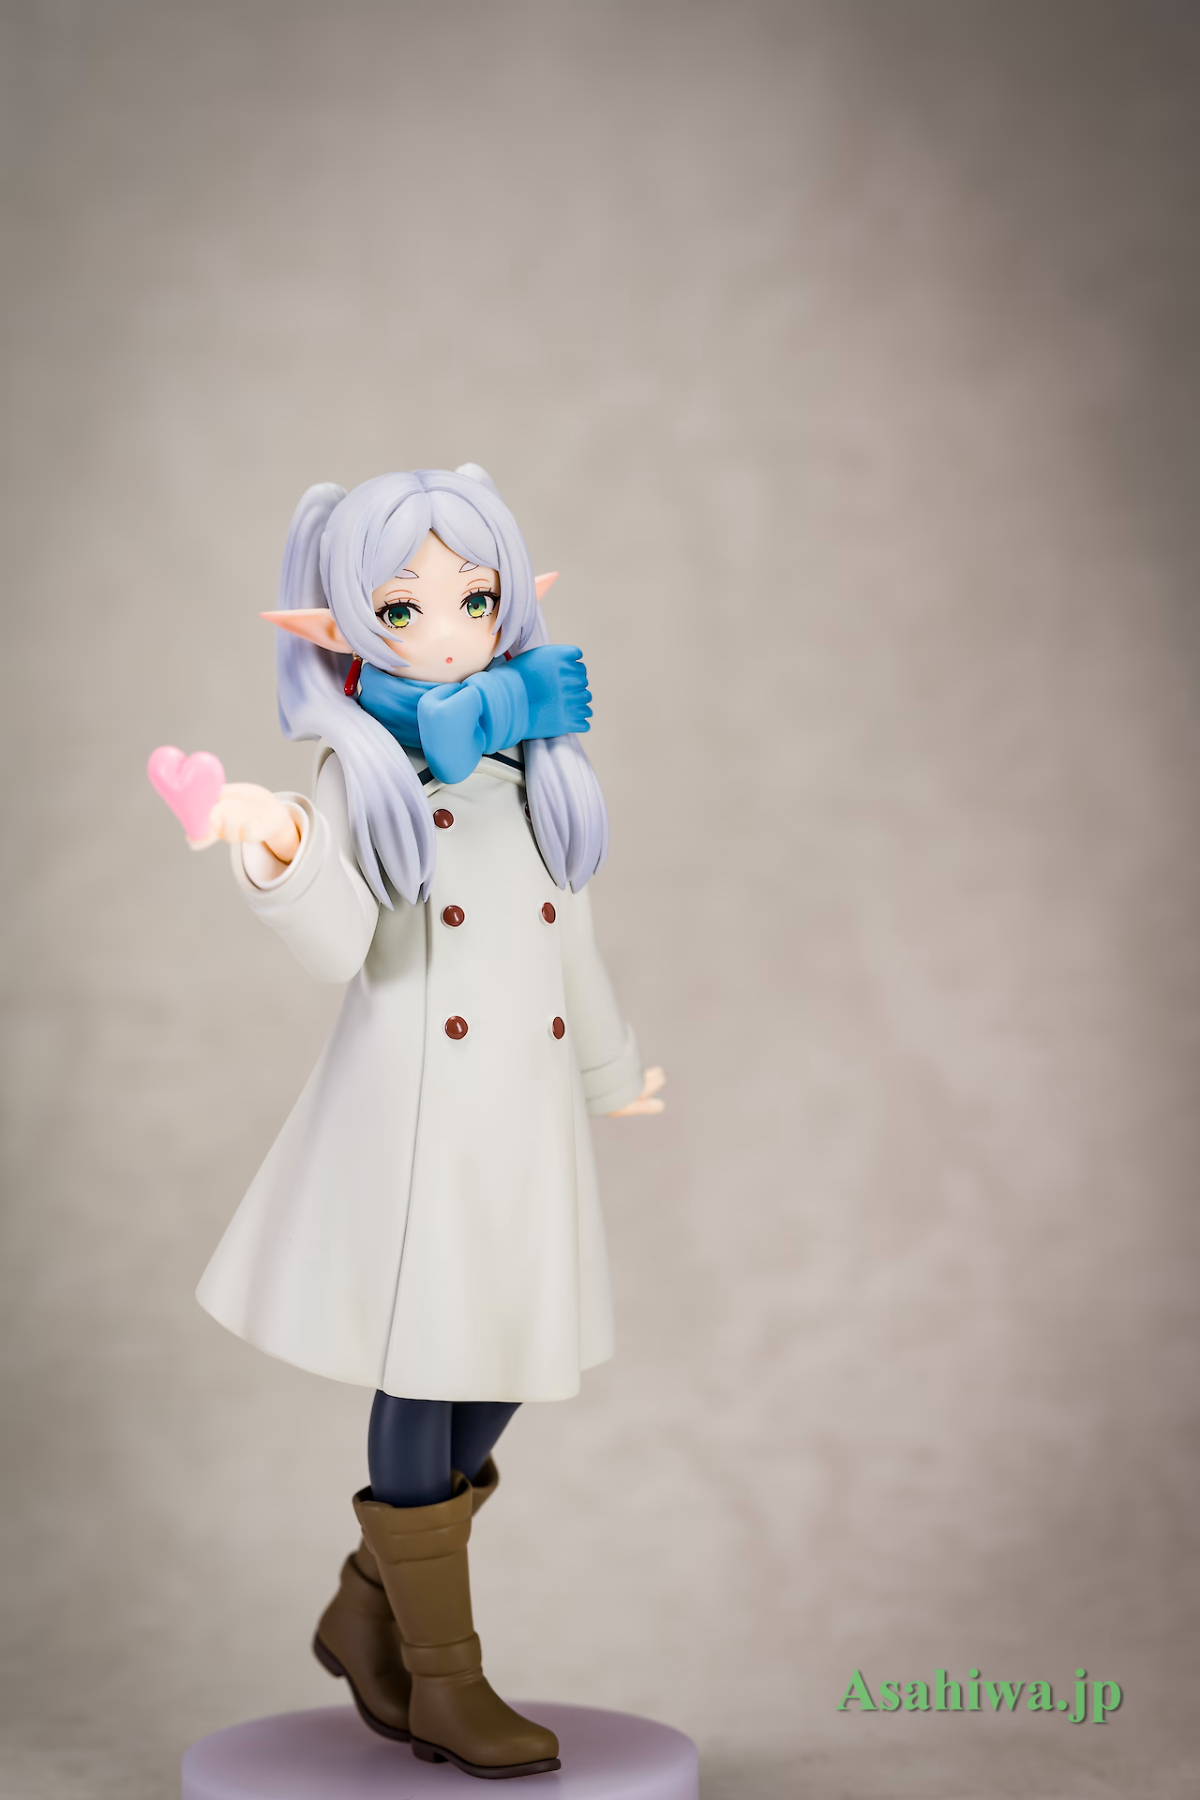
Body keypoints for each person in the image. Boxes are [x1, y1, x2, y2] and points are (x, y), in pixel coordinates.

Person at [190, 465, 663, 1779]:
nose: (449, 629)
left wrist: (611, 1068)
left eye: (474, 597)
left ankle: (364, 1608)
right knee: (429, 1364)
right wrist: (282, 850)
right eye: (404, 607)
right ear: (343, 623)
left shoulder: (531, 764)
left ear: (513, 599)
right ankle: (446, 1679)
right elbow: (339, 943)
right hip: (417, 1119)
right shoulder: (368, 773)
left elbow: (568, 939)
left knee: (505, 1358)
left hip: (525, 1113)